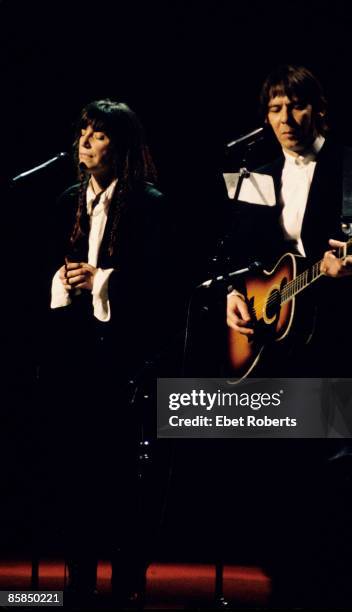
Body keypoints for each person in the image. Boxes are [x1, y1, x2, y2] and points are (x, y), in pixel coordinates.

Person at [41, 99, 169, 607]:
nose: (87, 141)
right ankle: (80, 578)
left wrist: (103, 280)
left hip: (128, 357)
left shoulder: (148, 202)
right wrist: (67, 281)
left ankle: (126, 580)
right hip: (76, 354)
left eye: (99, 134)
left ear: (123, 145)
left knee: (121, 474)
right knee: (76, 467)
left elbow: (161, 283)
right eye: (84, 132)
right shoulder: (68, 198)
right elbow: (46, 265)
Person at [225, 63, 352, 377]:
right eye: (275, 109)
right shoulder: (258, 177)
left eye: (297, 106)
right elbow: (239, 250)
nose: (286, 119)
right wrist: (233, 293)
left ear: (319, 110)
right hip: (272, 338)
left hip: (340, 334)